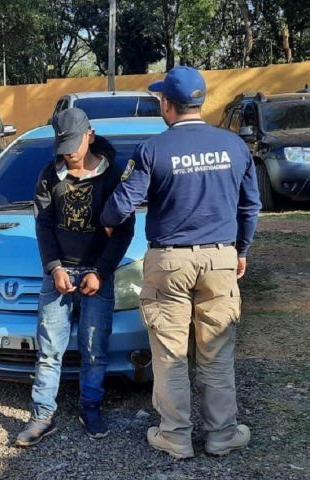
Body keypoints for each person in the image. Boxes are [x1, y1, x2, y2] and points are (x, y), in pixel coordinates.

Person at [101, 66, 262, 459]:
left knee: (170, 354)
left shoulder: (153, 149)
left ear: (168, 104)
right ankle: (222, 434)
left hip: (169, 262)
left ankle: (176, 436)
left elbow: (120, 207)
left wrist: (105, 222)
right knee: (216, 352)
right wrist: (239, 252)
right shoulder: (234, 146)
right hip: (221, 258)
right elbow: (251, 205)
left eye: (161, 100)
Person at [14, 108, 135, 447]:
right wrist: (54, 267)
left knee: (94, 350)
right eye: (62, 145)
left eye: (74, 144)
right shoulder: (48, 176)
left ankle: (91, 407)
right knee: (49, 350)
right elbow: (44, 225)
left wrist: (101, 271)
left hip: (98, 275)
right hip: (60, 274)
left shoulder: (113, 176)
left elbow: (124, 231)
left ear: (90, 135)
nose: (68, 153)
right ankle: (41, 416)